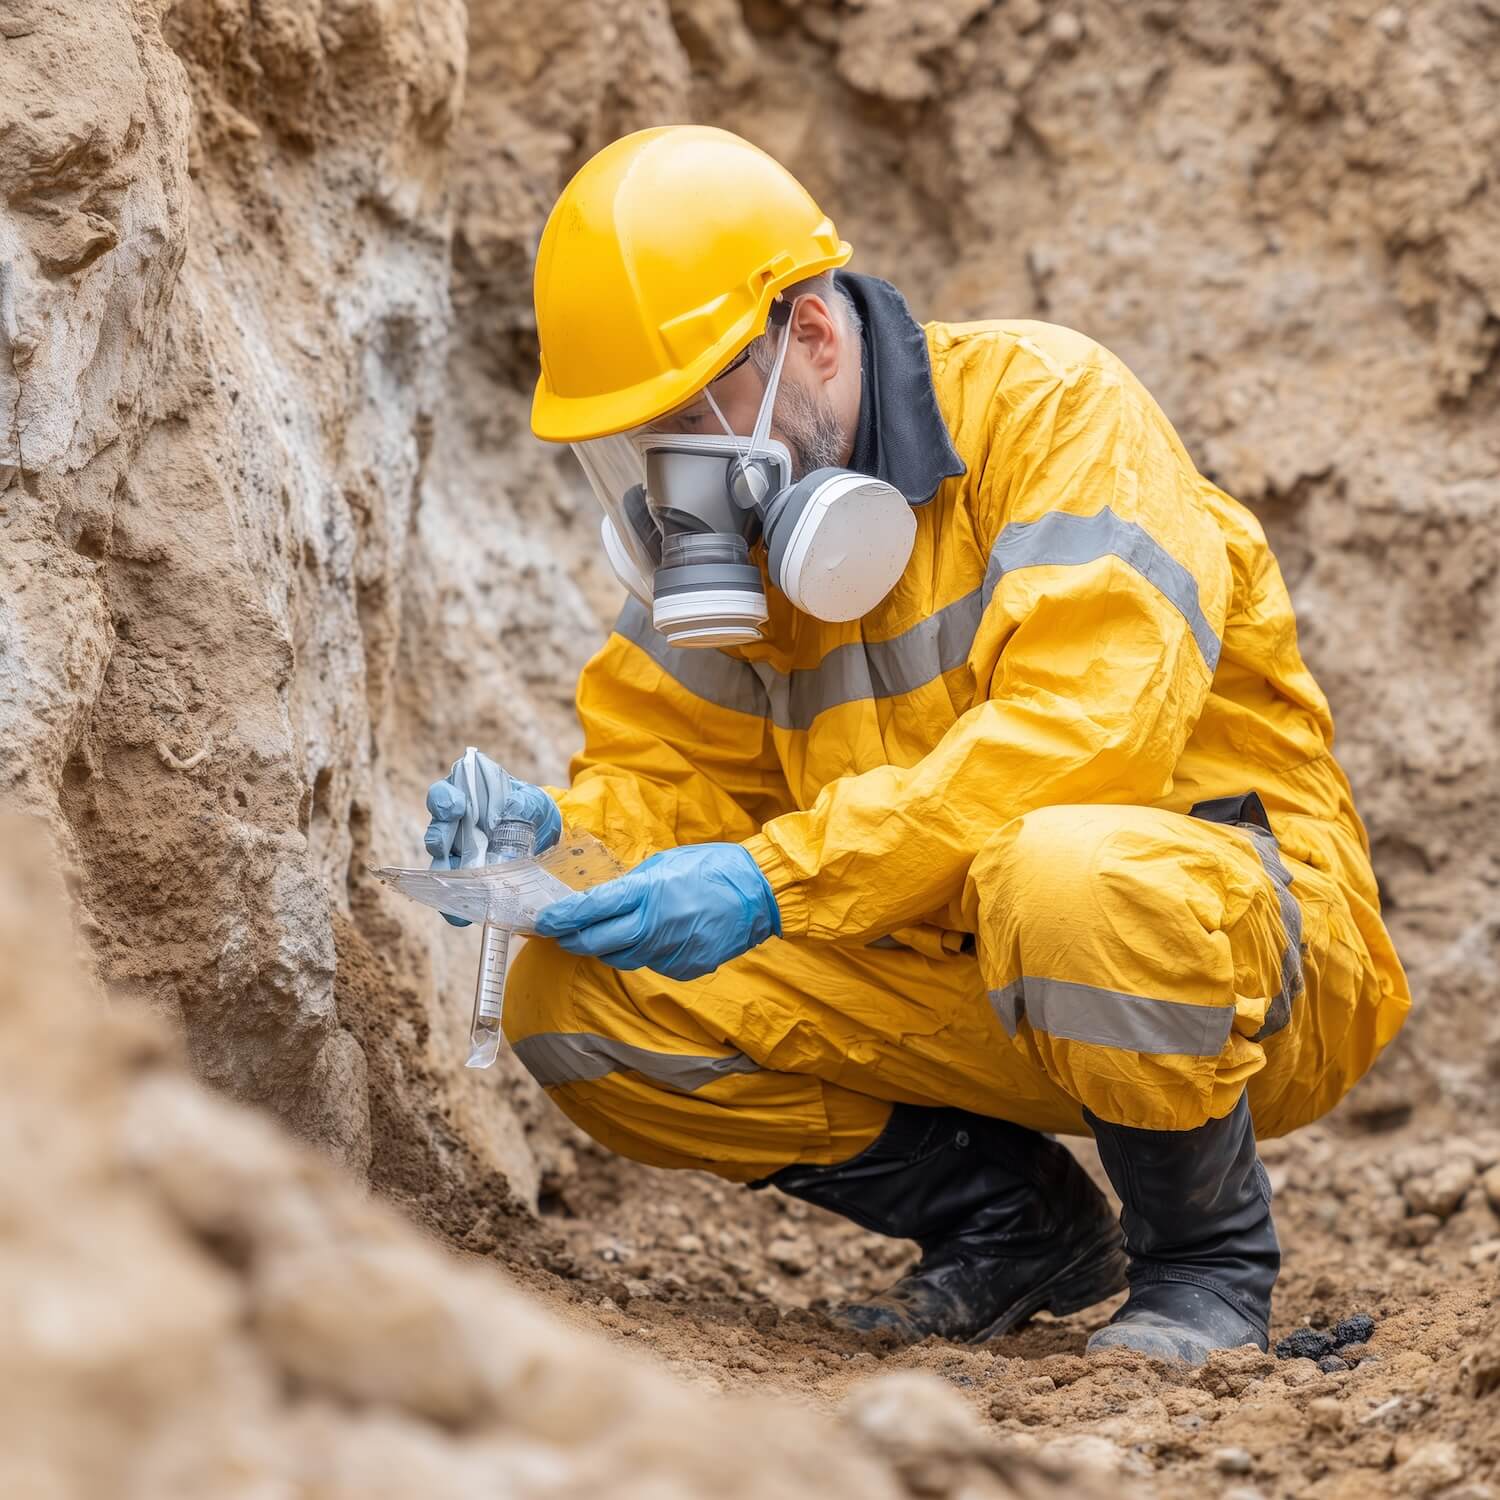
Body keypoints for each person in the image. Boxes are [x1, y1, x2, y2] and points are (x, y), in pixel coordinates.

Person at [423, 125, 1410, 1364]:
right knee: (577, 997)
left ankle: (1203, 1259)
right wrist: (559, 844)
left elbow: (1083, 742)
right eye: (634, 442)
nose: (668, 474)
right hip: (978, 978)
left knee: (1066, 872)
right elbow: (669, 786)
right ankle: (1015, 1225)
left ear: (813, 337)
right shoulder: (724, 553)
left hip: (1237, 961)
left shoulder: (1049, 409)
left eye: (686, 420)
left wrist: (772, 882)